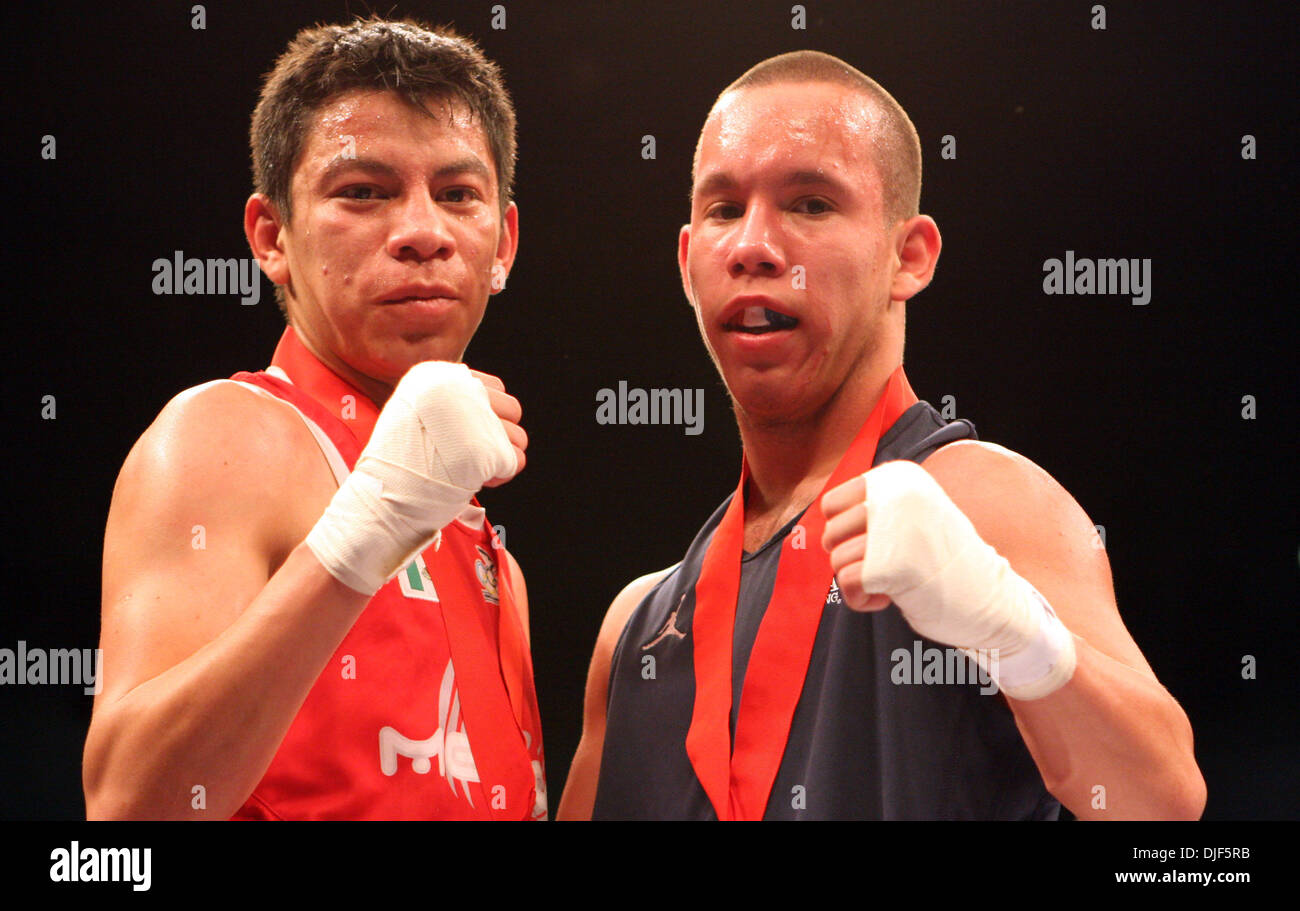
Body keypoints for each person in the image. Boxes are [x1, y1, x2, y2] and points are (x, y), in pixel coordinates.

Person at [558, 50, 1206, 820]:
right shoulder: (636, 628)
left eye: (810, 204)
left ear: (910, 256)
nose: (752, 246)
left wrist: (1007, 622)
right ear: (687, 263)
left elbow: (1163, 801)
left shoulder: (978, 499)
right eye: (724, 209)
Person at [83, 17, 546, 821]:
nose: (422, 233)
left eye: (458, 194)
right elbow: (129, 813)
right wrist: (364, 526)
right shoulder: (224, 438)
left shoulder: (488, 554)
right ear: (272, 236)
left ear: (502, 242)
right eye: (363, 192)